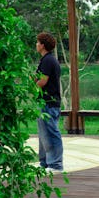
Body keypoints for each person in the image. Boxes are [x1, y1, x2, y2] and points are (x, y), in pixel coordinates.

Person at [34, 31, 63, 173]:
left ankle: (55, 164)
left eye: (38, 42)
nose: (36, 45)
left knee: (51, 133)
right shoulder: (46, 60)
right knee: (43, 134)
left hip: (49, 102)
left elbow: (43, 81)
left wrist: (31, 87)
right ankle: (44, 163)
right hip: (45, 102)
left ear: (43, 45)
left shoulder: (48, 61)